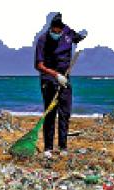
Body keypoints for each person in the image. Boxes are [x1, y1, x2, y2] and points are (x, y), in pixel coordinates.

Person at [34, 13, 87, 156]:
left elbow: (80, 39)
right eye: (54, 31)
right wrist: (55, 75)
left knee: (65, 113)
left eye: (59, 31)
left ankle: (63, 147)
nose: (57, 33)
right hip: (49, 79)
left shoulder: (68, 32)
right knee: (50, 113)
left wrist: (87, 39)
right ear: (51, 28)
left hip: (65, 78)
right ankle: (48, 148)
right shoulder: (43, 40)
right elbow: (39, 65)